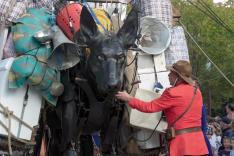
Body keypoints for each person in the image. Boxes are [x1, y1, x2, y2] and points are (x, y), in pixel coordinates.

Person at [116, 60, 208, 156]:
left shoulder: (172, 93)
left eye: (171, 72)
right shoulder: (197, 92)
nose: (168, 75)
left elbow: (149, 107)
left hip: (182, 144)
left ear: (178, 77)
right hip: (198, 143)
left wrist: (129, 98)